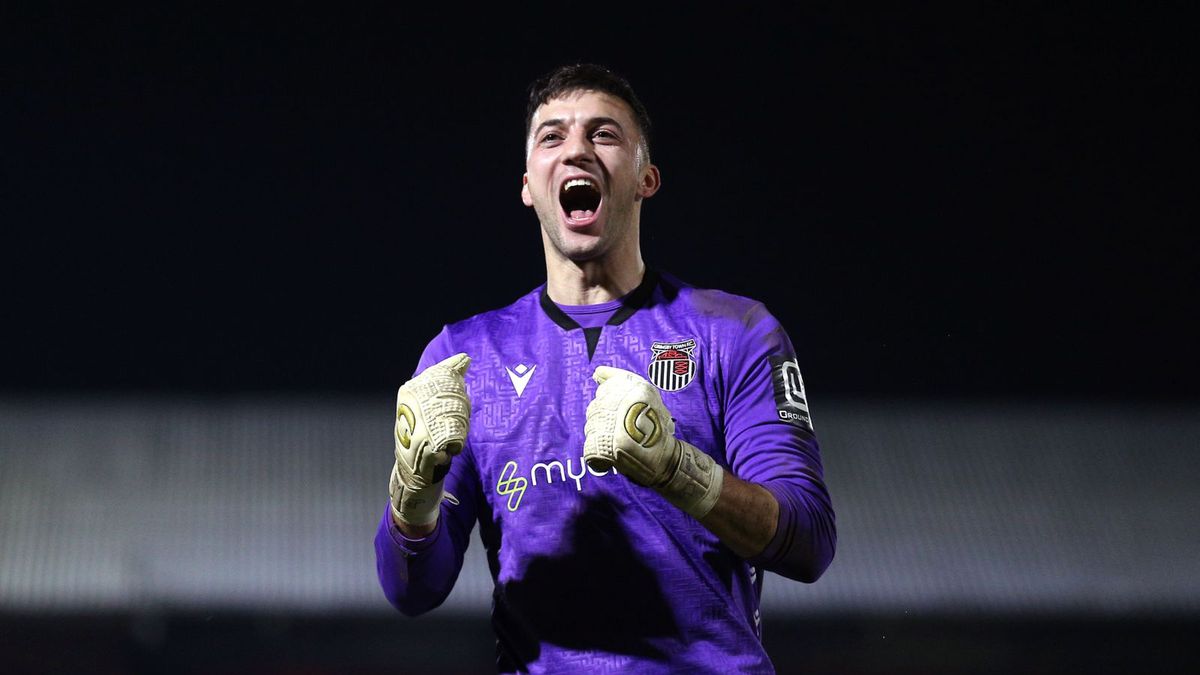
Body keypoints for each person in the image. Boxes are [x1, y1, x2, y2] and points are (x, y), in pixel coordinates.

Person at [375, 63, 836, 674]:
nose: (576, 151)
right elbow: (413, 592)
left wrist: (677, 469)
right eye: (552, 137)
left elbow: (808, 541)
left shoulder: (737, 333)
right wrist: (413, 492)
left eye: (603, 135)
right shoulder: (466, 357)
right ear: (527, 185)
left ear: (646, 179)